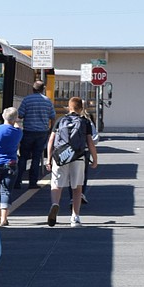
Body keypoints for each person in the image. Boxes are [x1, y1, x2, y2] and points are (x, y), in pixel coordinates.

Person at [46, 96, 98, 227]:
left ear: (68, 107)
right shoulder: (84, 122)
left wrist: (49, 159)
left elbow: (51, 141)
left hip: (60, 156)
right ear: (81, 108)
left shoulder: (60, 120)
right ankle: (75, 217)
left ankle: (55, 204)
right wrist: (95, 159)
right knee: (77, 187)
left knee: (56, 184)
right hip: (78, 156)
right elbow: (90, 142)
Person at [14, 81, 55, 189]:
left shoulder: (27, 100)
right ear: (43, 89)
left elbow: (20, 115)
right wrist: (51, 129)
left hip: (28, 132)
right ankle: (32, 183)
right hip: (42, 133)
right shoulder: (47, 101)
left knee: (23, 157)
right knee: (36, 158)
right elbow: (52, 116)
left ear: (33, 89)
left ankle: (17, 181)